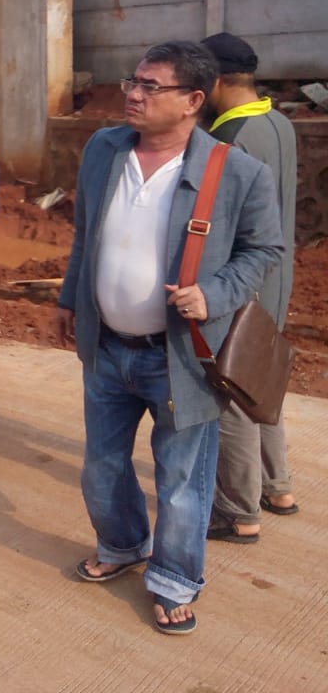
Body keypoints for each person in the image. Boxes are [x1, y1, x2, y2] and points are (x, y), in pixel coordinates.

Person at [56, 40, 283, 635]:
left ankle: (175, 579)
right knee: (102, 466)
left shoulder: (235, 171)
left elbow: (265, 248)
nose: (132, 94)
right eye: (133, 81)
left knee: (182, 480)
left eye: (150, 86)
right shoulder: (104, 149)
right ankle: (124, 543)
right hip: (107, 348)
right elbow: (86, 234)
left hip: (180, 355)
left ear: (192, 101)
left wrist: (216, 292)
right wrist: (68, 299)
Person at [200, 32, 299, 542]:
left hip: (242, 279)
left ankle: (238, 511)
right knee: (263, 379)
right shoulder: (279, 122)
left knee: (231, 389)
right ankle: (277, 487)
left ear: (214, 80)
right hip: (277, 277)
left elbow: (219, 226)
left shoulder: (229, 137)